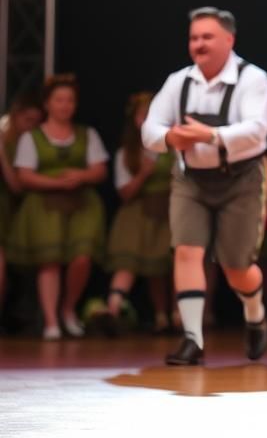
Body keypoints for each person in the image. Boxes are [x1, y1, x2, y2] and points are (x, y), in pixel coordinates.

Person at [142, 7, 267, 365]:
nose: (198, 44)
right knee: (187, 251)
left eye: (207, 37)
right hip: (191, 180)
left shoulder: (254, 80)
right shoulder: (179, 81)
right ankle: (192, 338)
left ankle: (254, 314)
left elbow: (257, 129)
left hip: (241, 180)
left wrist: (210, 135)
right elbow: (149, 129)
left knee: (236, 266)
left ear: (229, 40)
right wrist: (170, 137)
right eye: (194, 38)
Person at [8, 75, 109, 339]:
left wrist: (80, 177)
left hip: (81, 204)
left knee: (82, 256)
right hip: (45, 205)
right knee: (49, 261)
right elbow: (24, 175)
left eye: (70, 100)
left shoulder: (86, 135)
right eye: (59, 100)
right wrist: (54, 182)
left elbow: (99, 170)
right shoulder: (33, 137)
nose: (65, 105)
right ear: (48, 104)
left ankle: (68, 309)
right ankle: (51, 321)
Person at [101, 92, 176, 334]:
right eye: (144, 115)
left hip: (168, 211)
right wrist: (144, 173)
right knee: (130, 262)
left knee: (167, 266)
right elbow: (124, 192)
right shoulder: (127, 152)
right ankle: (112, 310)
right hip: (138, 212)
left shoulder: (174, 147)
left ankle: (169, 316)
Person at [0, 92, 43, 326]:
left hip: (11, 213)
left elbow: (16, 186)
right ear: (16, 116)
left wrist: (3, 158)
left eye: (37, 121)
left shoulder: (27, 144)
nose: (32, 126)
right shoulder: (7, 137)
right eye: (28, 120)